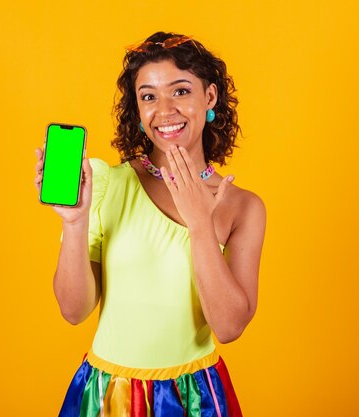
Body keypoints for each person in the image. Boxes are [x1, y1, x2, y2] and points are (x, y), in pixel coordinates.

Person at [34, 31, 266, 417]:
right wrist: (74, 223)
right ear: (138, 112)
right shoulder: (105, 183)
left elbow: (228, 327)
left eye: (180, 91)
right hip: (109, 395)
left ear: (209, 97)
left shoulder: (242, 207)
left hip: (196, 399)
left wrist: (199, 225)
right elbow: (73, 311)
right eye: (148, 96)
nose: (164, 110)